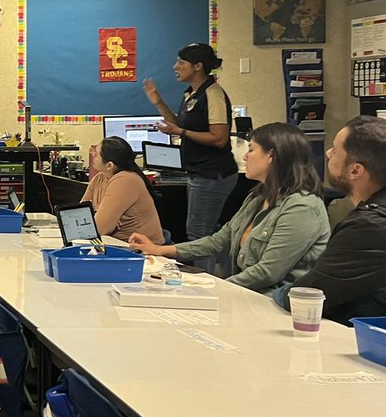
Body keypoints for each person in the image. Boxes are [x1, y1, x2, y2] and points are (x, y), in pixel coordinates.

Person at [129, 122, 329, 293]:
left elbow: (268, 272)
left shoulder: (302, 207)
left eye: (251, 149)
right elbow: (220, 240)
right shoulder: (258, 196)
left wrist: (214, 288)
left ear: (272, 156)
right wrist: (161, 250)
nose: (245, 157)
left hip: (276, 304)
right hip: (248, 295)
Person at [273, 116, 386, 323]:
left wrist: (275, 294)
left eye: (335, 150)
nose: (327, 153)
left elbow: (306, 296)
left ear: (355, 170)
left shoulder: (369, 227)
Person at [142, 43, 240, 268]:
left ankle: (207, 283)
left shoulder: (213, 93)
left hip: (213, 173)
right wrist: (158, 102)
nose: (175, 67)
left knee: (199, 232)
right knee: (209, 231)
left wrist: (180, 132)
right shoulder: (191, 94)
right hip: (198, 172)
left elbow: (219, 138)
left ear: (198, 66)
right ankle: (223, 274)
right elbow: (178, 124)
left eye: (181, 62)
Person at [82, 137, 164, 242]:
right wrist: (102, 216)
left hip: (141, 250)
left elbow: (100, 228)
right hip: (114, 243)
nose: (92, 155)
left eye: (96, 154)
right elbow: (80, 215)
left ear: (109, 165)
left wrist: (100, 218)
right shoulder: (99, 178)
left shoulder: (125, 179)